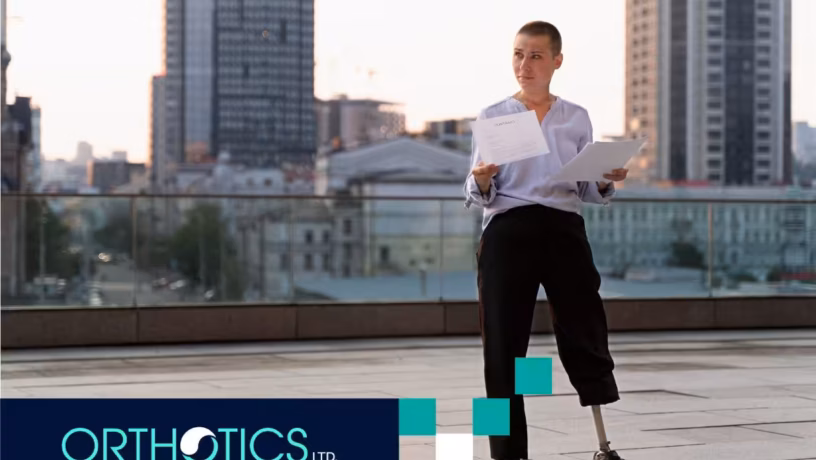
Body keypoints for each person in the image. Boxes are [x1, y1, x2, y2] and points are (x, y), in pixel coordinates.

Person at [463, 21, 627, 460]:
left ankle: (601, 436)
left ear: (556, 61)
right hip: (509, 229)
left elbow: (586, 189)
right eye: (518, 54)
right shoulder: (493, 115)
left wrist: (606, 180)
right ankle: (505, 454)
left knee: (584, 327)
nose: (525, 64)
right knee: (501, 348)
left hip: (562, 228)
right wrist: (480, 179)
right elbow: (477, 195)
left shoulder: (575, 117)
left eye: (535, 55)